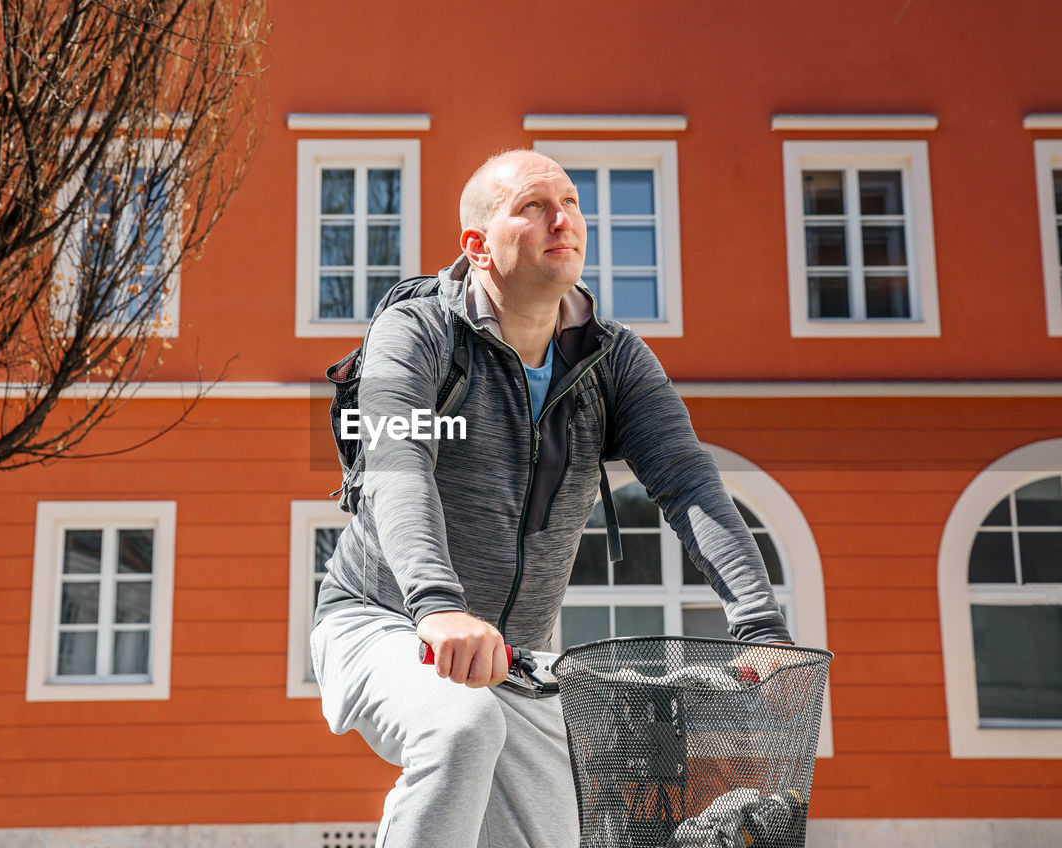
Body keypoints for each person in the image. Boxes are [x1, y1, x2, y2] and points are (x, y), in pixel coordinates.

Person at [310, 149, 792, 848]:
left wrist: (759, 625)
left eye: (569, 203)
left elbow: (687, 482)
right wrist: (440, 608)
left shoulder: (615, 360)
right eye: (533, 206)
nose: (560, 219)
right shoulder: (418, 335)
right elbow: (397, 466)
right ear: (477, 245)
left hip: (517, 658)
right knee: (461, 728)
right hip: (384, 619)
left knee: (553, 835)